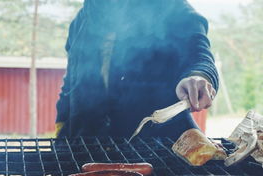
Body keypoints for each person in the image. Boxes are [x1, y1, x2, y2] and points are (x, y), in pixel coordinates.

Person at [55, 0, 218, 140]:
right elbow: (71, 82)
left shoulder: (172, 9)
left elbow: (198, 54)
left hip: (156, 145)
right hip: (86, 140)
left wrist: (198, 76)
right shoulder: (82, 20)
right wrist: (61, 128)